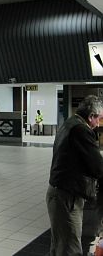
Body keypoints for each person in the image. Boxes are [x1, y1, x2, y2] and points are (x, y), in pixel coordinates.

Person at [46, 95, 103, 256]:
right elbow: (97, 166)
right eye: (98, 119)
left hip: (59, 193)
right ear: (91, 116)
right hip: (67, 196)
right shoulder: (81, 129)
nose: (98, 124)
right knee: (70, 248)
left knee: (59, 245)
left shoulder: (70, 123)